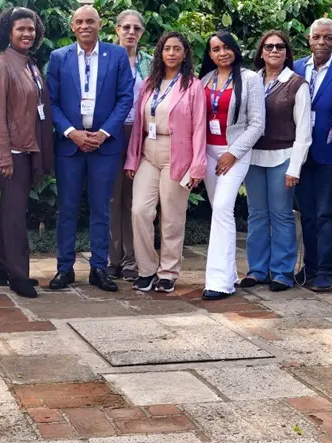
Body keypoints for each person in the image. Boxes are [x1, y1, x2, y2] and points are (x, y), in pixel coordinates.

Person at [46, 5, 135, 292]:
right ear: (72, 26)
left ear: (100, 25)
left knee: (102, 208)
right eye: (80, 22)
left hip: (105, 145)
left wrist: (104, 132)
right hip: (69, 145)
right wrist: (72, 133)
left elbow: (125, 98)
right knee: (67, 208)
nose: (85, 26)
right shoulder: (59, 57)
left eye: (91, 21)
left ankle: (99, 268)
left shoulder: (117, 55)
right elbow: (52, 102)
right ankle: (64, 268)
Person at [125, 31, 207, 293]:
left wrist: (197, 165)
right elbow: (139, 123)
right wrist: (131, 159)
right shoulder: (150, 83)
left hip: (177, 153)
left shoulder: (192, 85)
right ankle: (146, 269)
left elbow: (199, 127)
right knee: (140, 211)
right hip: (148, 153)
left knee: (172, 216)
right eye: (166, 49)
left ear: (185, 55)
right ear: (160, 53)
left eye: (177, 49)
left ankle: (168, 272)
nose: (171, 53)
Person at [0, 7, 55, 298]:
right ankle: (18, 274)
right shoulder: (2, 65)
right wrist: (3, 156)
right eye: (20, 29)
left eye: (31, 29)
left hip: (28, 149)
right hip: (12, 151)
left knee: (11, 211)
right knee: (15, 215)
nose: (27, 33)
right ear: (8, 33)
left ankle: (4, 267)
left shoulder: (29, 64)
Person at [198, 32, 264, 300]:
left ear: (235, 49)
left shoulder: (250, 79)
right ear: (210, 55)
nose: (221, 53)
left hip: (234, 153)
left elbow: (257, 124)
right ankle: (229, 274)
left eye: (226, 47)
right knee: (220, 212)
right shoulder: (204, 80)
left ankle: (218, 282)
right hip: (208, 153)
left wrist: (233, 153)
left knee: (223, 209)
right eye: (215, 49)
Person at [243, 30, 310, 292]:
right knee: (257, 214)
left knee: (281, 215)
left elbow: (303, 131)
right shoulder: (251, 81)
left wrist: (295, 166)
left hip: (283, 157)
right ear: (260, 52)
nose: (274, 51)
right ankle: (257, 270)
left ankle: (282, 272)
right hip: (253, 158)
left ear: (287, 52)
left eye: (280, 47)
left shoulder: (297, 84)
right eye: (268, 46)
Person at [293, 18, 332, 292]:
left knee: (327, 213)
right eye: (317, 37)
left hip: (329, 152)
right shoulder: (296, 68)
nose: (322, 42)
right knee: (307, 214)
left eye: (328, 38)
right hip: (300, 154)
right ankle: (310, 266)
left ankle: (326, 269)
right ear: (309, 39)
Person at [107, 10, 152, 282]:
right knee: (113, 197)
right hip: (112, 132)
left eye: (136, 28)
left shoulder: (150, 64)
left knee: (135, 200)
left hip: (142, 133)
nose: (131, 32)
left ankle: (132, 260)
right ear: (116, 30)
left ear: (142, 33)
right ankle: (113, 258)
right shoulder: (107, 60)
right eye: (126, 27)